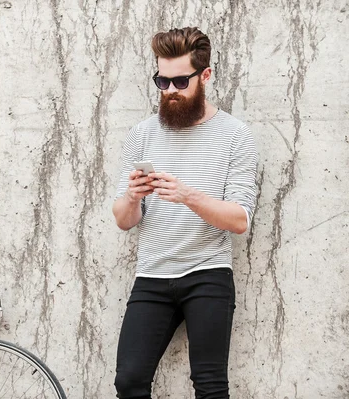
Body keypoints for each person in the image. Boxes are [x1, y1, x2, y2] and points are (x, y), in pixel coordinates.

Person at [112, 27, 258, 399]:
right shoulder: (142, 134)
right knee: (128, 381)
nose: (171, 91)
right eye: (162, 81)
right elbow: (123, 220)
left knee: (210, 387)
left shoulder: (235, 136)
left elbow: (240, 220)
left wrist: (188, 196)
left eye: (180, 81)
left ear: (204, 75)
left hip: (207, 274)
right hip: (152, 275)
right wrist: (132, 196)